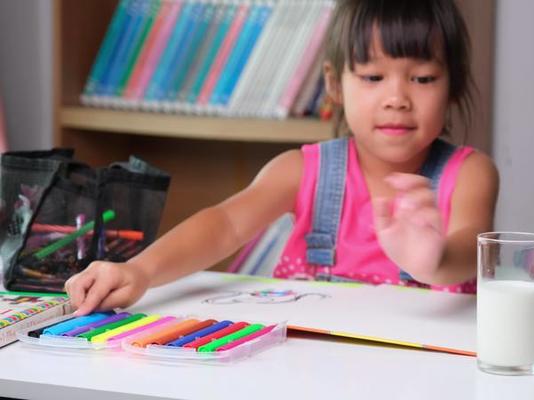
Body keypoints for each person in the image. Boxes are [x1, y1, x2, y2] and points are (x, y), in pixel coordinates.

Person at [65, 0, 498, 315]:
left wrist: (434, 260)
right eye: (372, 77)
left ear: (453, 85)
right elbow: (223, 226)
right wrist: (139, 271)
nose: (397, 98)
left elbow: (470, 251)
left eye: (423, 78)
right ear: (334, 85)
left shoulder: (471, 174)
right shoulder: (300, 170)